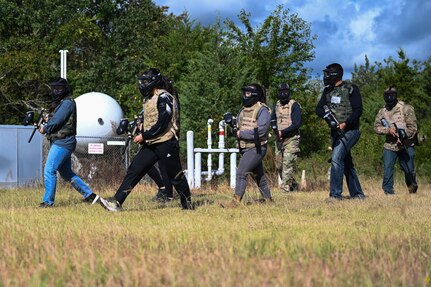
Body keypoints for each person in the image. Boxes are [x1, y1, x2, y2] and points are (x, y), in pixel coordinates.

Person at [100, 68, 193, 211]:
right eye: (141, 81)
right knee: (134, 170)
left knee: (176, 176)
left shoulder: (164, 97)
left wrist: (144, 136)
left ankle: (187, 206)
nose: (142, 84)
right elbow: (151, 119)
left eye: (145, 81)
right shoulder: (149, 98)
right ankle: (117, 203)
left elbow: (163, 121)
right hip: (151, 143)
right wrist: (141, 127)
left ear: (154, 81)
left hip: (166, 142)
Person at [38, 78, 100, 207]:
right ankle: (90, 196)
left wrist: (46, 128)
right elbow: (56, 119)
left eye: (59, 89)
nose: (56, 91)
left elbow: (57, 121)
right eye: (54, 88)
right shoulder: (62, 103)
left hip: (63, 141)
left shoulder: (67, 103)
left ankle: (48, 202)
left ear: (65, 89)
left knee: (49, 170)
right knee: (66, 172)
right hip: (62, 141)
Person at [315, 63, 365, 201]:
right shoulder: (327, 91)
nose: (325, 77)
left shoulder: (351, 89)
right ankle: (358, 194)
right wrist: (328, 118)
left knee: (336, 159)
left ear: (336, 74)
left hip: (351, 131)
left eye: (328, 74)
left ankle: (335, 195)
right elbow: (319, 109)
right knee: (346, 162)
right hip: (335, 133)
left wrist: (345, 123)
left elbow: (358, 110)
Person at [222, 83, 272, 207]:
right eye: (244, 93)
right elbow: (239, 127)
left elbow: (261, 131)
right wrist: (231, 122)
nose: (245, 96)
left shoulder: (262, 110)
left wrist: (240, 134)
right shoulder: (243, 109)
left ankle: (235, 202)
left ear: (255, 95)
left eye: (247, 93)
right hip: (246, 147)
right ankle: (269, 201)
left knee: (241, 173)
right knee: (258, 176)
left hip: (257, 148)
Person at [373, 87, 418, 194]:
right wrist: (388, 130)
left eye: (392, 95)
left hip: (406, 144)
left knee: (409, 170)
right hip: (389, 145)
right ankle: (388, 192)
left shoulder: (406, 108)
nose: (389, 97)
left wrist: (403, 135)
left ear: (396, 95)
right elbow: (376, 127)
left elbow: (413, 127)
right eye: (387, 95)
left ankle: (412, 188)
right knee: (388, 169)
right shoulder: (382, 111)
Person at [271, 83, 302, 192]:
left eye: (286, 91)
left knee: (288, 163)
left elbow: (296, 124)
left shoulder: (294, 105)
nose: (283, 94)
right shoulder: (276, 105)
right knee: (279, 165)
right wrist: (274, 129)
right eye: (281, 91)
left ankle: (285, 189)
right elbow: (273, 119)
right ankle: (292, 184)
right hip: (279, 139)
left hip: (292, 138)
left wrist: (282, 132)